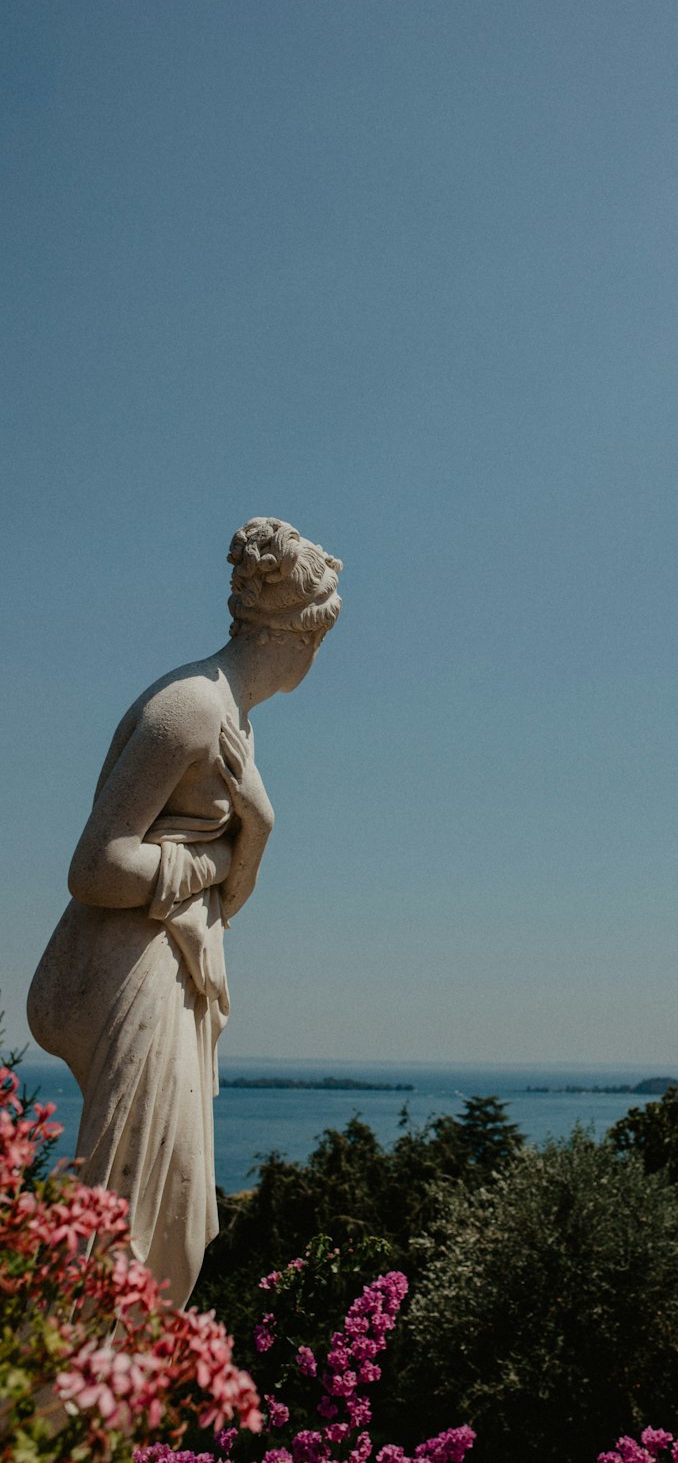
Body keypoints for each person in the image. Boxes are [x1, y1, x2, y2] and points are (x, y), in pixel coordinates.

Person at [28, 517, 342, 1306]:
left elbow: (230, 895)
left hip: (173, 963)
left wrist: (258, 830)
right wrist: (215, 857)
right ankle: (77, 1404)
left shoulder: (238, 723)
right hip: (136, 970)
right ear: (299, 635)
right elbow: (94, 868)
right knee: (136, 1218)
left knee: (175, 1207)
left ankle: (115, 1402)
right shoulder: (192, 710)